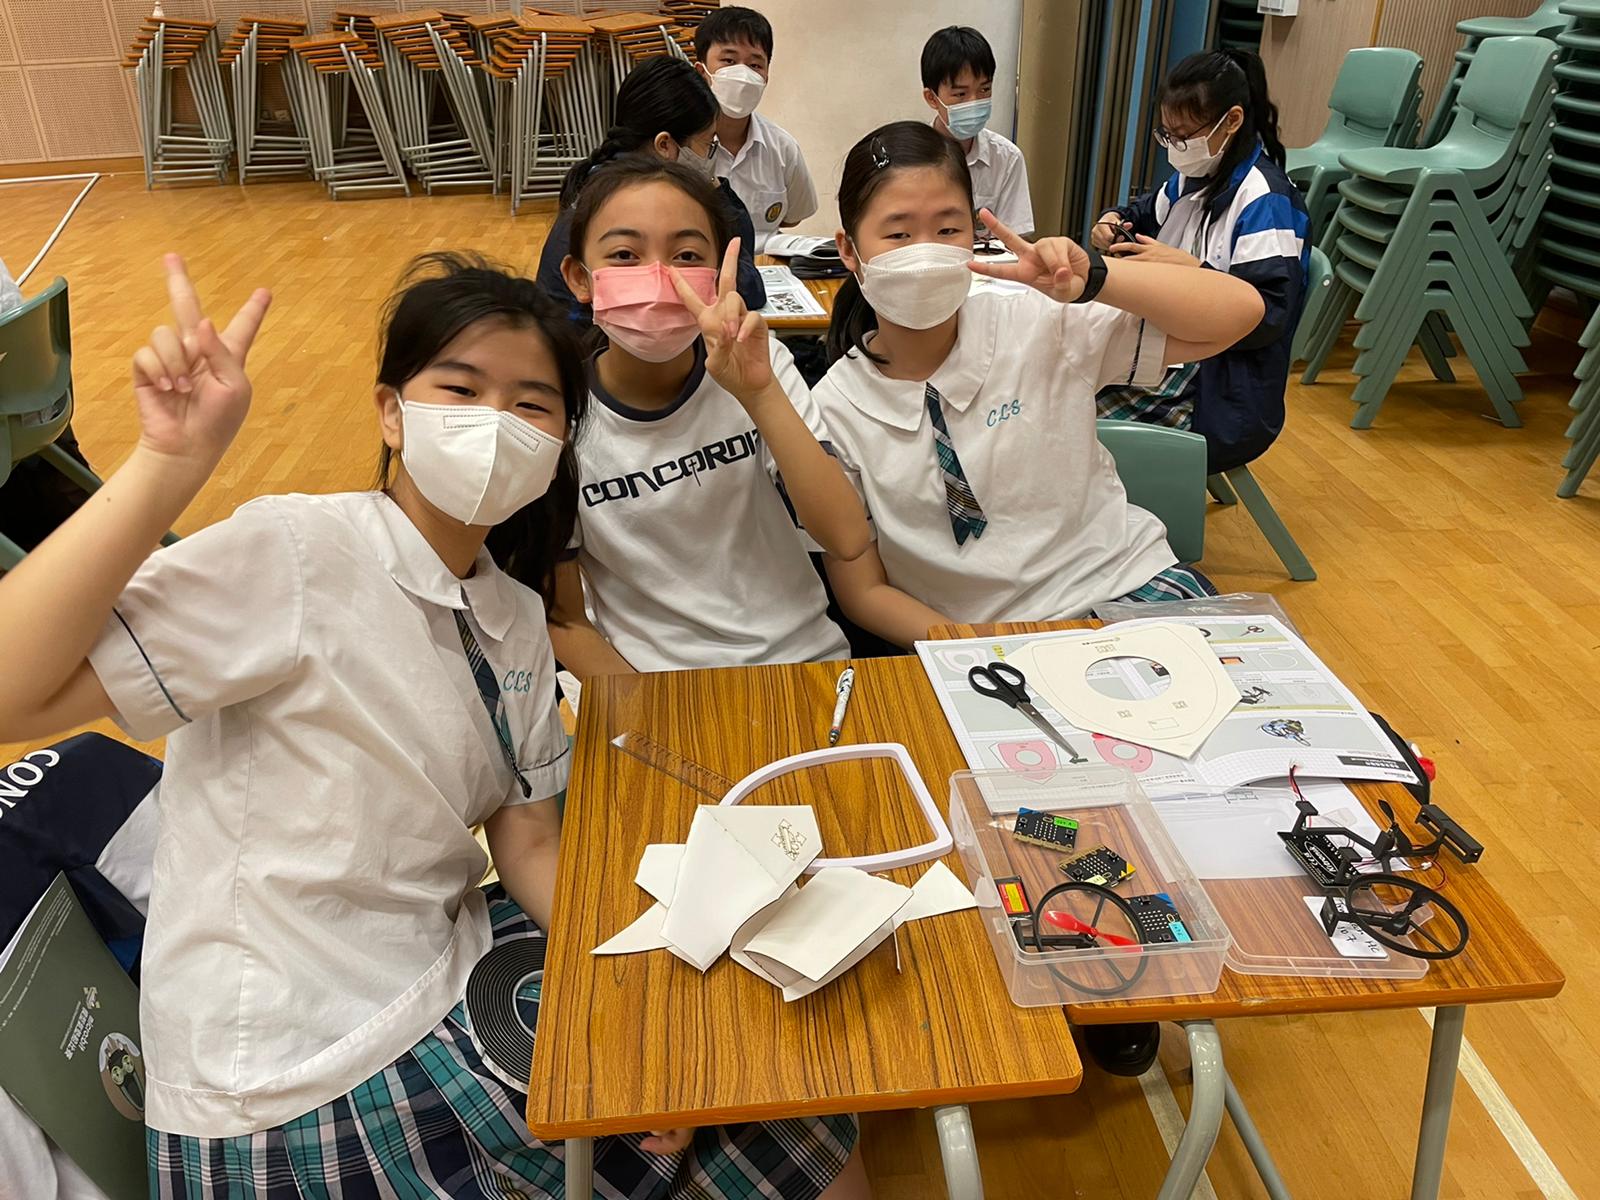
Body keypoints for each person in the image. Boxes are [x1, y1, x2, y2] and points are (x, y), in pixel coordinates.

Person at [0, 252, 861, 1197]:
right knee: (766, 1102)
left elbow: (527, 831)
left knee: (767, 1051)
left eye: (533, 405)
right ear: (390, 412)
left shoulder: (514, 616)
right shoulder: (298, 550)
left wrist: (639, 984)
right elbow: (13, 693)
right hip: (296, 1071)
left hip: (437, 970)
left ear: (563, 442)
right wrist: (168, 463)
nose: (495, 423)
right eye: (460, 387)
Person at [549, 156, 870, 677]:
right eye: (626, 255)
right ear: (579, 279)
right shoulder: (557, 419)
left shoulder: (764, 366)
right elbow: (565, 619)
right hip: (659, 687)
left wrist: (759, 395)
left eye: (686, 254)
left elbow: (846, 538)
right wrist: (650, 715)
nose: (659, 278)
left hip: (805, 662)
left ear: (717, 272)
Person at [1092, 48, 1309, 475]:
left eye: (1184, 135)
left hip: (1219, 394)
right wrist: (1112, 220)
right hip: (1179, 355)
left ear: (1231, 121)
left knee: (1067, 409)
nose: (1176, 146)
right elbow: (1141, 212)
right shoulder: (1194, 177)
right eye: (1168, 134)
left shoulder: (1265, 201)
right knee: (1064, 378)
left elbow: (1267, 317)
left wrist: (1191, 272)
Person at [537, 56, 766, 321]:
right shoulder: (639, 204)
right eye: (708, 145)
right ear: (665, 146)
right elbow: (746, 285)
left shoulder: (604, 181)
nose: (712, 156)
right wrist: (712, 187)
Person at [694, 5, 818, 254]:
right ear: (702, 71)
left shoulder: (783, 147)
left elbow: (792, 217)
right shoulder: (683, 146)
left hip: (765, 272)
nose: (743, 74)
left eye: (755, 65)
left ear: (766, 76)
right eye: (728, 61)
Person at [921, 25, 1033, 238]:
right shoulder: (910, 158)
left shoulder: (1006, 158)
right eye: (960, 94)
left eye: (984, 90)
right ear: (932, 98)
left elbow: (1015, 240)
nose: (974, 102)